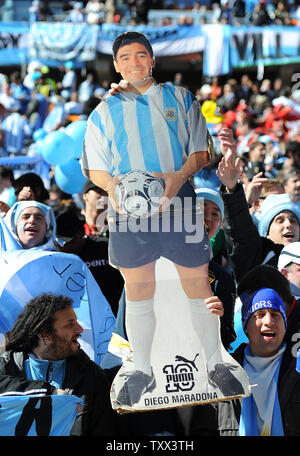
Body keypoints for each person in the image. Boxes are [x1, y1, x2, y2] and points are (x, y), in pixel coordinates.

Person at [82, 31, 222, 406]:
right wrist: (116, 190)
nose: (133, 63)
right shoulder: (102, 111)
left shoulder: (182, 98)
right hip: (129, 213)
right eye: (124, 57)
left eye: (140, 55)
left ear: (153, 59)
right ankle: (139, 367)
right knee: (139, 288)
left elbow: (201, 151)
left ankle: (214, 361)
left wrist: (177, 178)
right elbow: (95, 167)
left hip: (182, 204)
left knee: (197, 282)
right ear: (116, 65)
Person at [0, 293, 115, 435]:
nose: (79, 329)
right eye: (70, 324)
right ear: (45, 334)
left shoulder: (92, 376)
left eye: (76, 322)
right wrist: (49, 391)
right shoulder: (5, 368)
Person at [217, 128, 300, 284]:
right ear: (266, 232)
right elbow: (240, 230)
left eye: (293, 221)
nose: (288, 225)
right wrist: (233, 188)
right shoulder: (257, 255)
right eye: (280, 220)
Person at [214, 287, 300, 436]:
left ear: (285, 326)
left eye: (275, 315)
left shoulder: (297, 368)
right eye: (260, 315)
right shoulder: (223, 373)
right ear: (246, 326)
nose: (269, 321)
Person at [55, 204, 124, 316]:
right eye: (59, 242)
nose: (64, 247)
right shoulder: (53, 256)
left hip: (110, 316)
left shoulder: (105, 248)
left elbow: (125, 285)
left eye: (69, 242)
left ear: (81, 234)